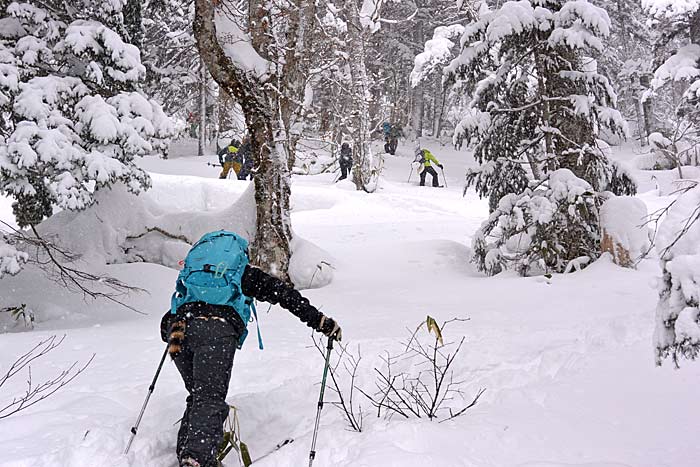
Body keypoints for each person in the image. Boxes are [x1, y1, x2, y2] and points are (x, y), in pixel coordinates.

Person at [161, 231, 342, 467]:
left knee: (200, 394)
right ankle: (197, 459)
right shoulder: (243, 274)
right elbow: (286, 296)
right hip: (216, 331)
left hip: (179, 329)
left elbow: (178, 300)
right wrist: (320, 321)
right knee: (209, 397)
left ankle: (190, 453)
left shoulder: (196, 271)